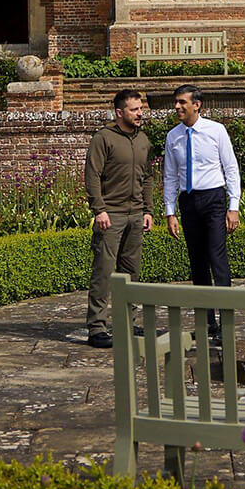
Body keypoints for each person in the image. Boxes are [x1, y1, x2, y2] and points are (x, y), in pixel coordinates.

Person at [163, 84, 241, 343]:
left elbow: (231, 168)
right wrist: (170, 212)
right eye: (176, 102)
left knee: (217, 258)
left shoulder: (216, 130)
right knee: (197, 263)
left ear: (197, 105)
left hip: (214, 199)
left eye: (182, 102)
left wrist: (233, 206)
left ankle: (226, 321)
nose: (177, 107)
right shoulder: (173, 136)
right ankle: (207, 322)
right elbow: (170, 176)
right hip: (189, 201)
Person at [83, 88, 154, 349]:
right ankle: (97, 327)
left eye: (141, 109)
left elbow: (147, 177)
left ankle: (126, 321)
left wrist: (148, 210)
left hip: (136, 215)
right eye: (134, 109)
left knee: (131, 272)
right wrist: (99, 209)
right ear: (119, 112)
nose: (139, 114)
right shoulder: (104, 138)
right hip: (110, 215)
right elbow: (92, 175)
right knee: (103, 271)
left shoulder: (143, 139)